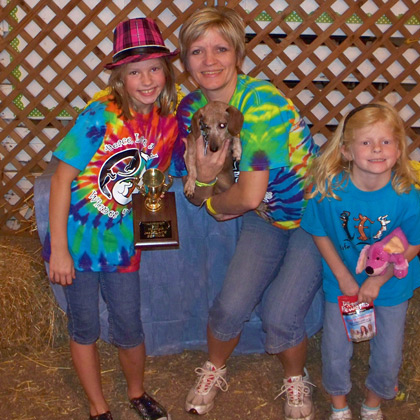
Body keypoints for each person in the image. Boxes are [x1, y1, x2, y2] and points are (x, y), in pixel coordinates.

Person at [169, 7, 323, 420]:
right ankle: (213, 368)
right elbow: (196, 184)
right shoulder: (191, 110)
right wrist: (204, 186)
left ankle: (295, 379)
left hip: (313, 218)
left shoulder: (261, 105)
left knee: (281, 314)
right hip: (268, 220)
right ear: (185, 60)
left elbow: (248, 196)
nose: (209, 61)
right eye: (197, 51)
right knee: (229, 305)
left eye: (220, 48)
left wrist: (216, 206)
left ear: (238, 53)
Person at [42, 17, 178, 420]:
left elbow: (156, 175)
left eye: (154, 68)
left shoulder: (167, 124)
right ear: (119, 76)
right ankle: (97, 406)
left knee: (129, 324)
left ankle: (137, 393)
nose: (147, 79)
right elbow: (61, 180)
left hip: (121, 245)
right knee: (84, 326)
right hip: (77, 246)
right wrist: (60, 250)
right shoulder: (98, 115)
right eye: (134, 71)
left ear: (166, 71)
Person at [300, 102, 420, 420]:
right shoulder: (329, 191)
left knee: (387, 353)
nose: (376, 149)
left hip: (390, 286)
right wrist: (343, 276)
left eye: (386, 141)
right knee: (334, 350)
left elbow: (414, 243)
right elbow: (319, 233)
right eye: (366, 142)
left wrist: (378, 279)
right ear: (346, 150)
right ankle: (339, 406)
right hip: (341, 284)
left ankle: (373, 404)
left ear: (398, 150)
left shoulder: (406, 195)